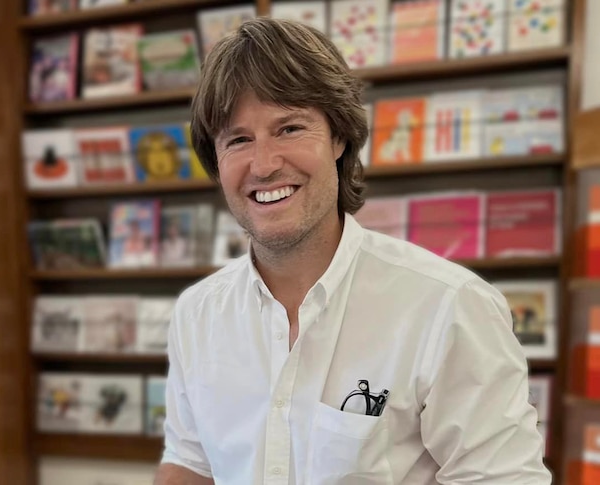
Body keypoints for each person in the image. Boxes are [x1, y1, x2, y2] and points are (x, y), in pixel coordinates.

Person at [155, 18, 551, 485]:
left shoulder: (448, 306)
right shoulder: (197, 313)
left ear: (339, 138)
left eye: (289, 128)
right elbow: (190, 462)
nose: (263, 165)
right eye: (238, 139)